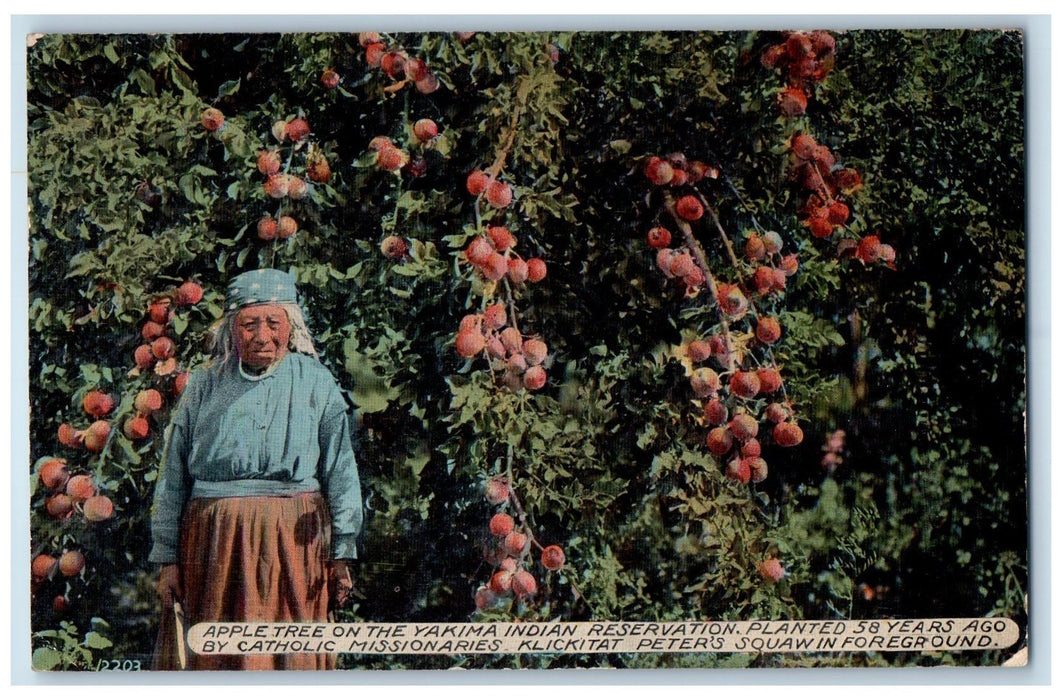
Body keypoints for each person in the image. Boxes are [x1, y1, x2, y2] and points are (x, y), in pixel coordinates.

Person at [149, 268, 363, 671]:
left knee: (291, 655)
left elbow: (341, 471)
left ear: (291, 327)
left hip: (293, 543)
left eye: (273, 323)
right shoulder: (204, 385)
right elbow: (173, 477)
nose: (262, 335)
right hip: (214, 545)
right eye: (249, 324)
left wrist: (342, 553)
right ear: (232, 330)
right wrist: (167, 558)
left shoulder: (316, 383)